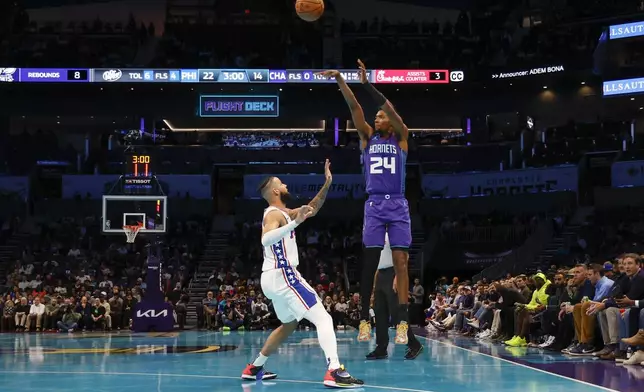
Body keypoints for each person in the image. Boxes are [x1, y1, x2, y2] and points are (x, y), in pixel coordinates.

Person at [241, 160, 363, 388]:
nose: (286, 184)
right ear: (276, 191)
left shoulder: (284, 212)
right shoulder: (273, 214)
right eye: (282, 183)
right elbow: (265, 239)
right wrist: (294, 224)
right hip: (284, 275)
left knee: (288, 324)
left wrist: (327, 183)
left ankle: (254, 367)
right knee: (324, 318)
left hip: (271, 278)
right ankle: (334, 371)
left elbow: (312, 208)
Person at [320, 59, 411, 345]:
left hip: (397, 203)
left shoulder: (402, 139)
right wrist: (340, 79)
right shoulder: (367, 137)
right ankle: (363, 321)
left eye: (382, 116)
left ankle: (403, 322)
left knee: (401, 262)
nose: (378, 118)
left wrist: (368, 84)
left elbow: (393, 109)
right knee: (369, 264)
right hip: (373, 205)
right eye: (378, 116)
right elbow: (354, 109)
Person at [367, 233, 423, 360]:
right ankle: (381, 348)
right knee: (379, 312)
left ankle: (414, 344)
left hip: (394, 272)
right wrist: (374, 288)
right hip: (380, 274)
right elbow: (378, 263)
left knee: (397, 313)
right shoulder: (377, 235)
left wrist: (398, 276)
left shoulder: (393, 232)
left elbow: (404, 256)